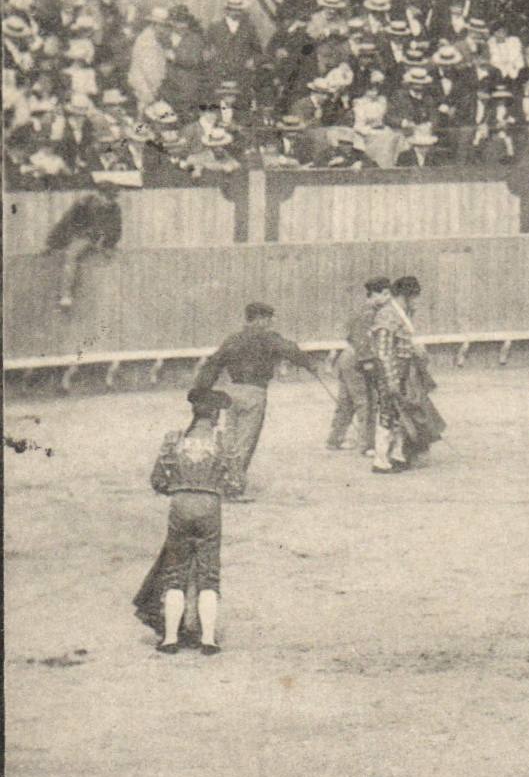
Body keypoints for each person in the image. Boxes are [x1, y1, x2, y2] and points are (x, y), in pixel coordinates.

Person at [133, 388, 235, 653]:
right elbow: (236, 483)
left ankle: (170, 639)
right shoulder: (223, 441)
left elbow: (157, 480)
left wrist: (178, 488)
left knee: (175, 572)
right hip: (210, 507)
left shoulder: (173, 440)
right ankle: (208, 640)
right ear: (215, 415)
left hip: (180, 505)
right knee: (208, 573)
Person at [192, 302, 319, 498]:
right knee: (245, 441)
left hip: (232, 392)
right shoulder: (268, 338)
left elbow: (213, 365)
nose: (270, 323)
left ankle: (219, 479)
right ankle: (233, 484)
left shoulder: (233, 339)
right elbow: (291, 350)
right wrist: (310, 365)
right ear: (260, 320)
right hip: (255, 392)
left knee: (230, 438)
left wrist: (202, 389)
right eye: (268, 319)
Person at [370, 275, 444, 472]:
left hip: (404, 372)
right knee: (388, 413)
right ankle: (381, 461)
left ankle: (397, 456)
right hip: (392, 373)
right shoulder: (387, 314)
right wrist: (391, 379)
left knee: (401, 415)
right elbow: (383, 352)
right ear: (405, 296)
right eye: (415, 296)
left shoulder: (400, 313)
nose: (417, 301)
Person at [326, 277, 391, 452]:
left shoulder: (363, 309)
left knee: (346, 401)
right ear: (374, 294)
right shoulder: (369, 313)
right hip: (358, 360)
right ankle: (368, 444)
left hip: (348, 358)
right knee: (366, 401)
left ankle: (334, 439)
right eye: (385, 294)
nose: (388, 298)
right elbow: (362, 340)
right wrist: (368, 363)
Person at [44, 182, 121, 312]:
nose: (110, 201)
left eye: (112, 198)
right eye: (108, 198)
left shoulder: (114, 208)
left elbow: (117, 229)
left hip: (100, 237)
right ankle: (66, 295)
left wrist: (107, 244)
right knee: (71, 255)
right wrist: (52, 243)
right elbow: (66, 222)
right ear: (99, 195)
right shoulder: (83, 204)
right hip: (84, 236)